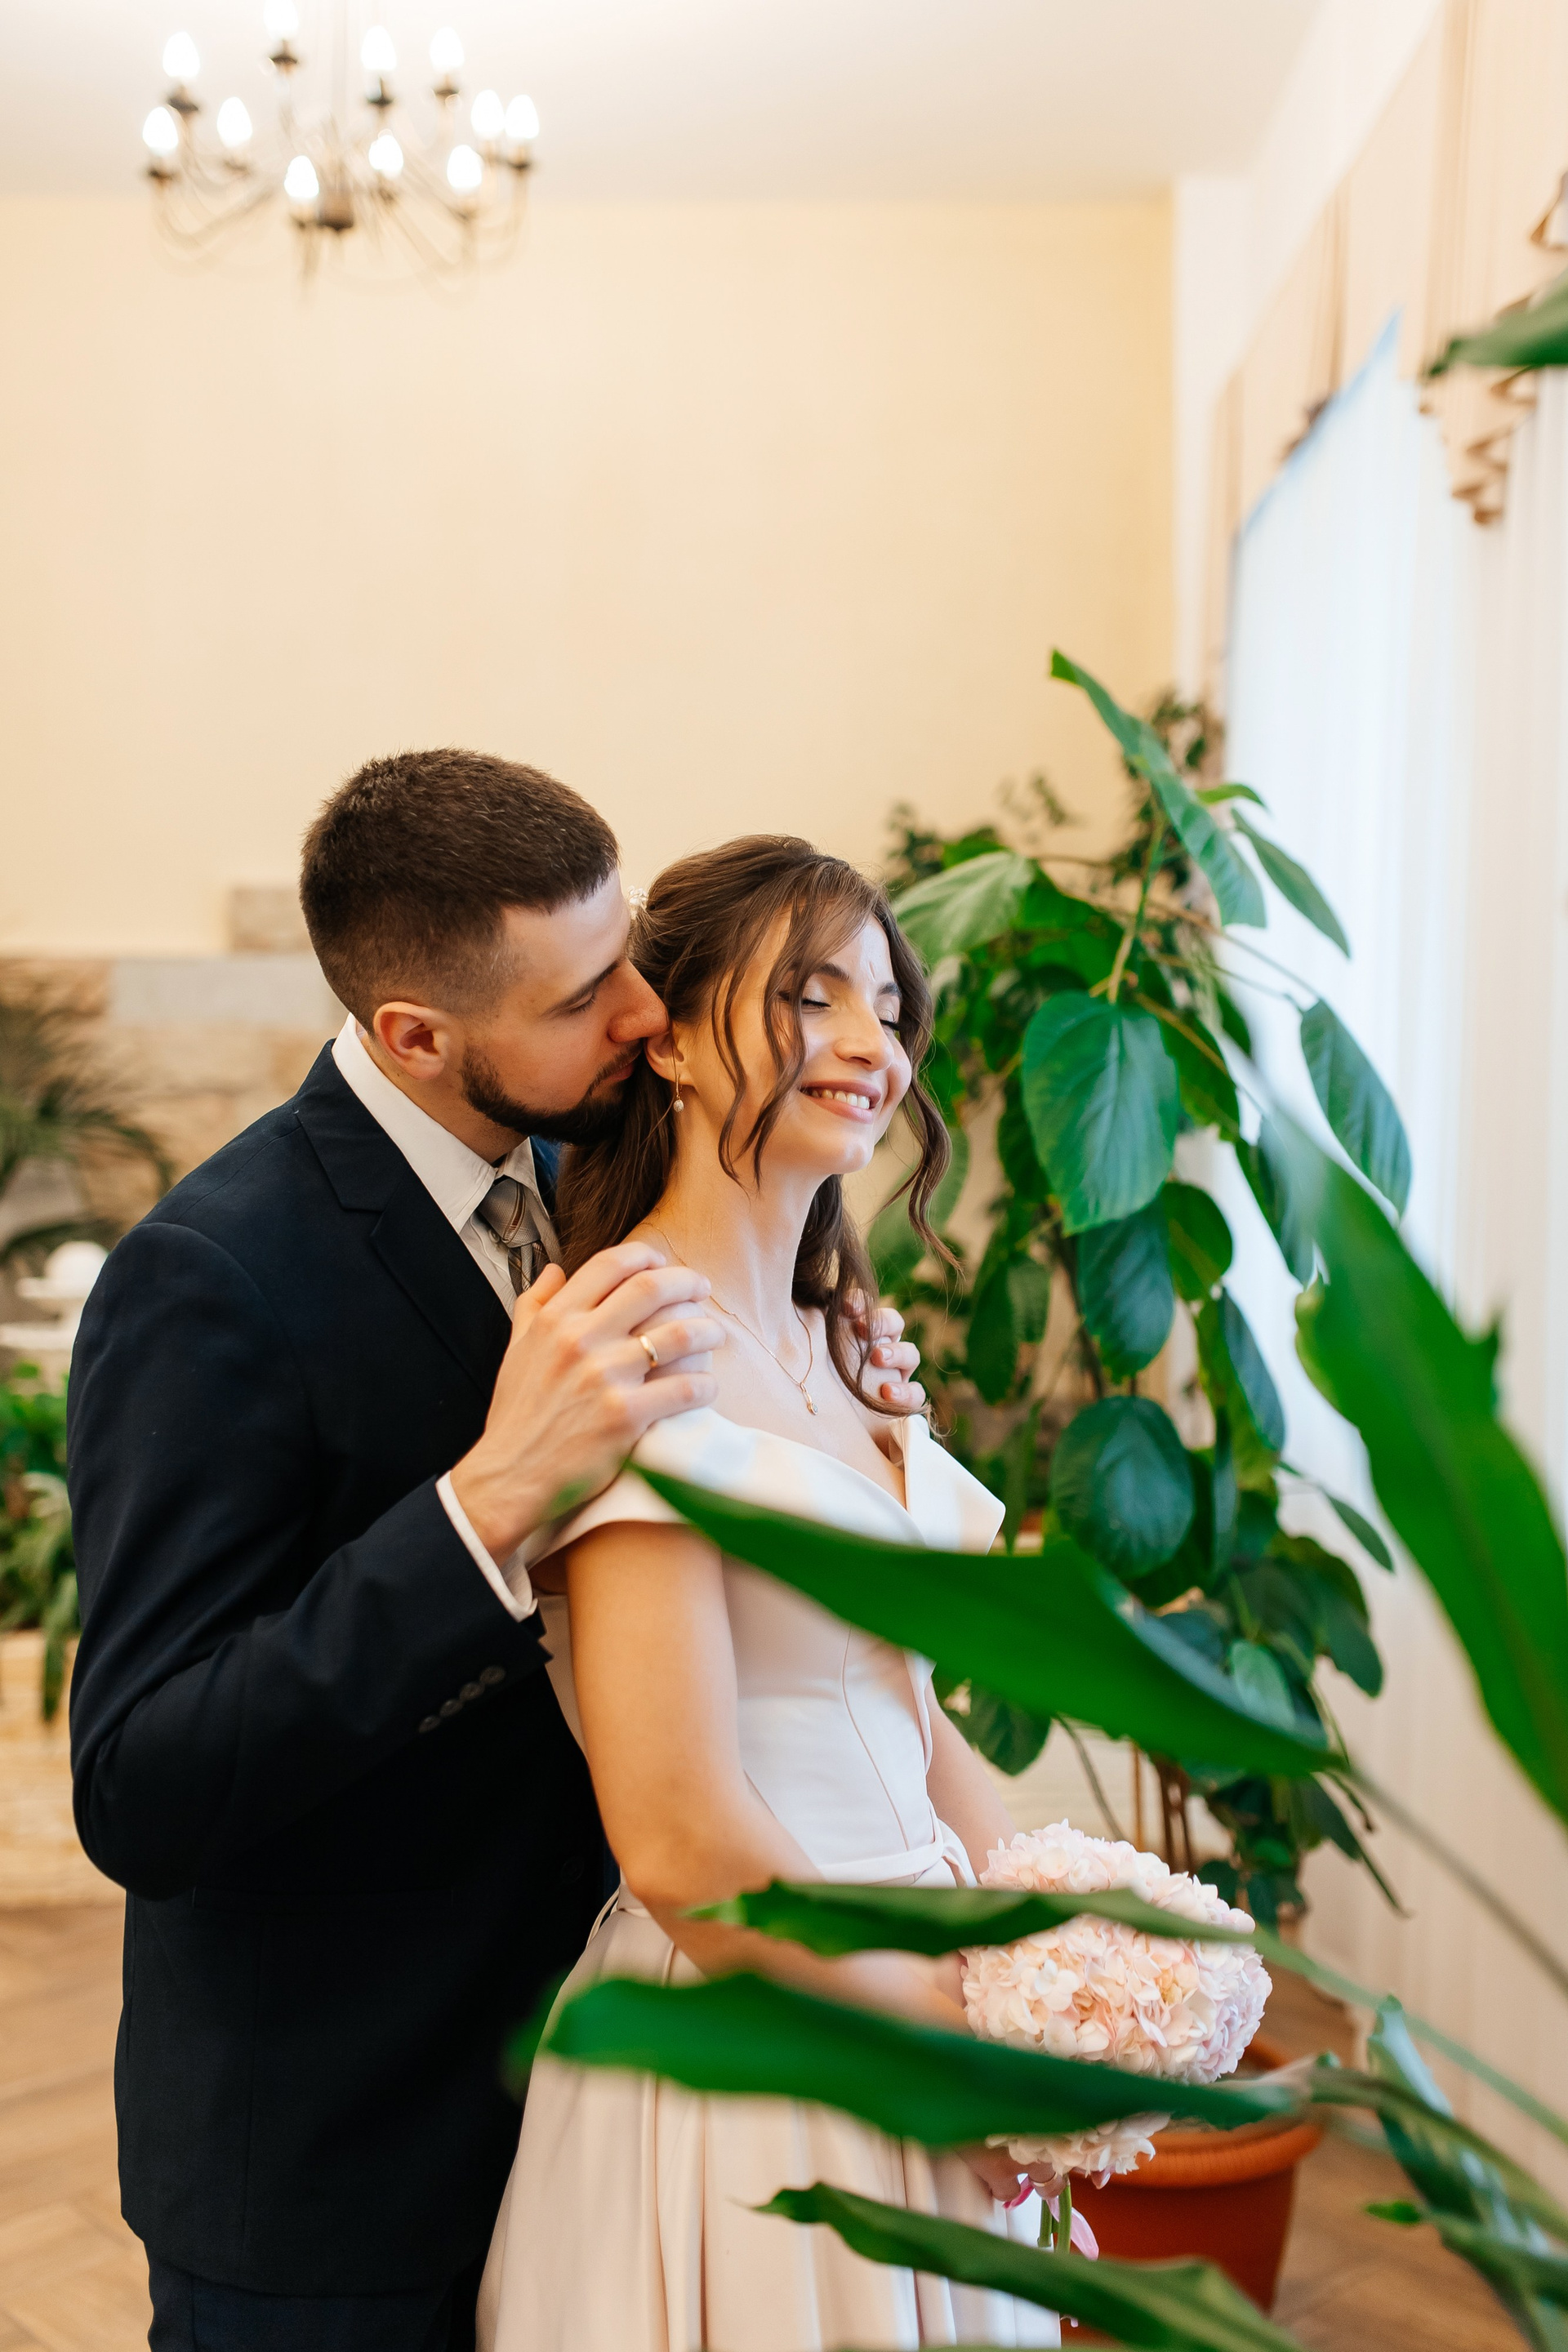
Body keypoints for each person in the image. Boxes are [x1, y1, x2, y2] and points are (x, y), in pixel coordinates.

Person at [65, 751, 932, 2352]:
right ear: (417, 1035)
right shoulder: (213, 1273)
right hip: (346, 2152)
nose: (646, 1016)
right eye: (589, 995)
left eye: (631, 961)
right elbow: (141, 1785)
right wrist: (482, 1511)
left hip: (614, 2099)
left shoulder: (596, 1174)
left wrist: (830, 1390)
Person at [478, 835, 1057, 2352]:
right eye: (810, 997)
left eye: (888, 1005)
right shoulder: (627, 1349)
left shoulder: (846, 1337)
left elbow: (912, 1712)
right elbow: (682, 1838)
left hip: (926, 1976)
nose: (871, 1045)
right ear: (665, 1039)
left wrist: (1051, 1959)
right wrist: (948, 2056)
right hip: (767, 2021)